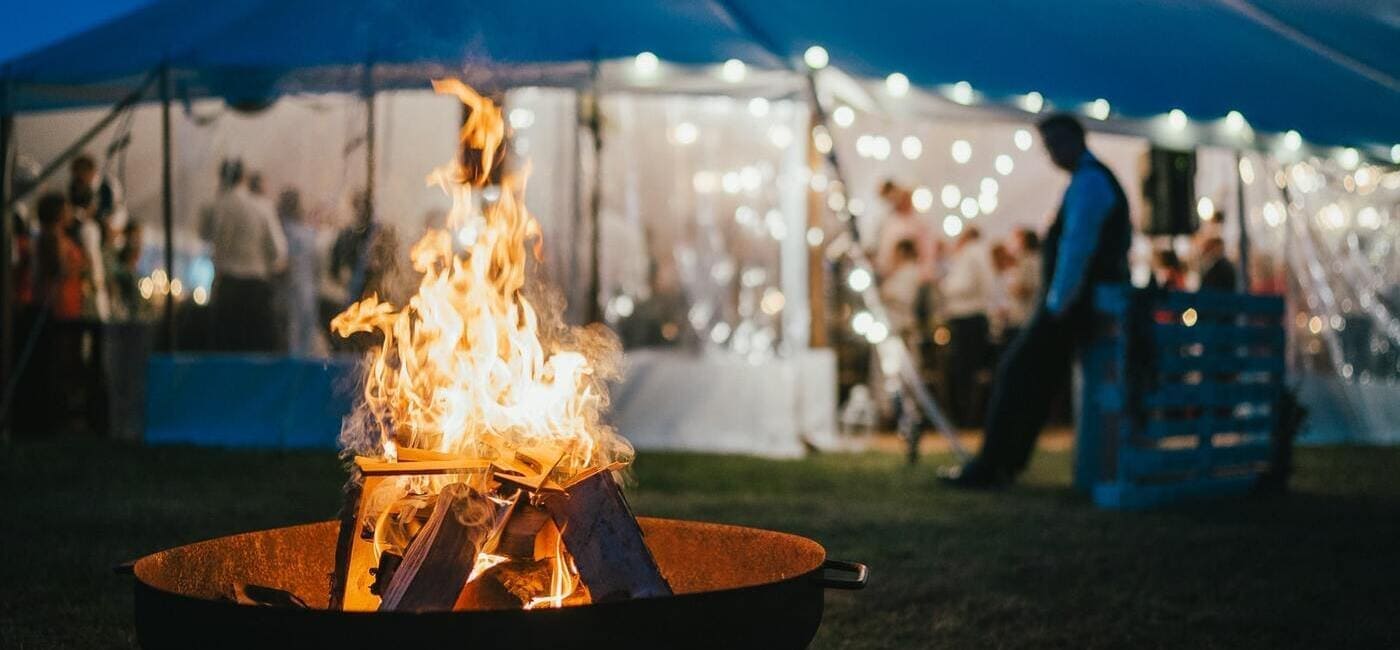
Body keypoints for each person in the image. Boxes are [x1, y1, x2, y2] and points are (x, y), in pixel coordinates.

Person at [940, 114, 1131, 488]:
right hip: (1079, 303)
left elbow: (1078, 248)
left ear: (1076, 140)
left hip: (1072, 305)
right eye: (1048, 146)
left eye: (1056, 143)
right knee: (1034, 384)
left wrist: (1057, 304)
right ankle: (1005, 465)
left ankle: (990, 467)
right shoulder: (1089, 179)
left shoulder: (1090, 182)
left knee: (1016, 374)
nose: (1052, 154)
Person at [199, 159, 288, 351]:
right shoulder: (262, 207)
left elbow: (209, 239)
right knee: (258, 351)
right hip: (257, 287)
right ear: (244, 177)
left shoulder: (216, 206)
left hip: (228, 287)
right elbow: (279, 251)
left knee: (227, 349)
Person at [939, 226, 997, 427]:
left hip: (966, 318)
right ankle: (969, 415)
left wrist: (944, 286)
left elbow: (965, 284)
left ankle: (964, 416)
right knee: (970, 368)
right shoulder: (981, 254)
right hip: (974, 317)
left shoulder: (970, 254)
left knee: (963, 368)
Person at [278, 188, 325, 356]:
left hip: (295, 288)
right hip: (298, 289)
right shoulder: (294, 232)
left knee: (297, 334)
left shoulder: (287, 230)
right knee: (299, 334)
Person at [874, 180, 936, 280]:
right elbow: (884, 250)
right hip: (893, 273)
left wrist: (925, 272)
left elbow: (927, 249)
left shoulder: (920, 222)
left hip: (915, 273)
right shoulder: (890, 223)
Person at [1002, 229, 1041, 344]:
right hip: (1028, 314)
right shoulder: (1035, 259)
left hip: (1024, 316)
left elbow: (1028, 288)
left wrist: (1013, 289)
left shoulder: (1027, 261)